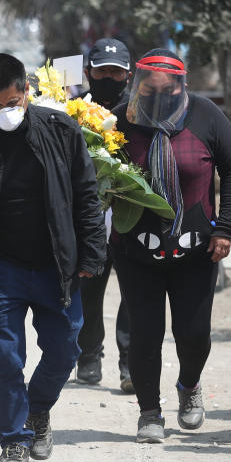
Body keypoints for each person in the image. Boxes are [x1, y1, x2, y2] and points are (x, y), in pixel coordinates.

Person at [0, 53, 106, 462]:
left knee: (65, 350)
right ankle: (13, 442)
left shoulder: (62, 131)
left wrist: (91, 254)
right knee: (7, 358)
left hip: (57, 267)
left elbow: (87, 196)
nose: (6, 112)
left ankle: (37, 411)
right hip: (1, 271)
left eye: (14, 102)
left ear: (27, 93)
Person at [110, 49, 231, 443]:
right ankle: (149, 412)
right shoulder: (117, 120)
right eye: (149, 90)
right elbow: (91, 174)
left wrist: (225, 228)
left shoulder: (206, 116)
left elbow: (230, 171)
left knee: (194, 333)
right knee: (144, 332)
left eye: (167, 89)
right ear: (136, 85)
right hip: (135, 250)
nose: (158, 97)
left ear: (183, 85)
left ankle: (189, 385)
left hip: (198, 249)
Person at [75, 38, 133, 391]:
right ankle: (89, 356)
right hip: (88, 221)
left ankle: (130, 363)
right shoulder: (72, 111)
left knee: (134, 294)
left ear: (129, 75)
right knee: (88, 292)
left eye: (116, 72)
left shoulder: (140, 112)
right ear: (88, 73)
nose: (109, 77)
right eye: (102, 71)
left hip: (130, 219)